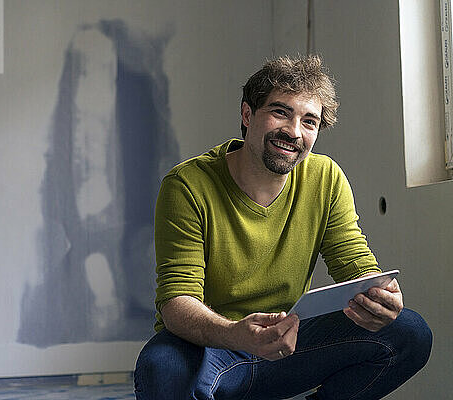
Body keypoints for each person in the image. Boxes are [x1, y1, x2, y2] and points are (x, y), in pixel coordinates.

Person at [134, 55, 432, 399]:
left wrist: (378, 297)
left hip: (286, 342)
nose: (293, 131)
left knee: (409, 333)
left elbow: (355, 263)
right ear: (248, 115)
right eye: (280, 112)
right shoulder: (187, 184)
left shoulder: (325, 177)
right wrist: (235, 333)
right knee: (161, 368)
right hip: (210, 343)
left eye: (309, 121)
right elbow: (177, 302)